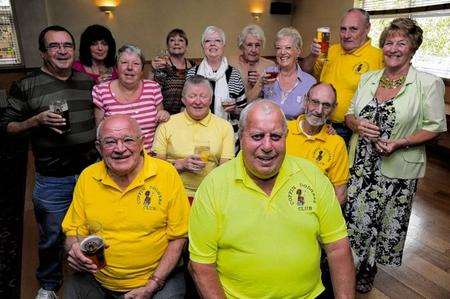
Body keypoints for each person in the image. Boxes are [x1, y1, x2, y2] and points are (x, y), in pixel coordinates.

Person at [189, 99, 355, 298]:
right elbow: (201, 265)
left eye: (275, 136)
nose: (267, 146)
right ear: (241, 137)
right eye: (257, 136)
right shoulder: (213, 187)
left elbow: (337, 248)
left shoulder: (313, 176)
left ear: (286, 137)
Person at [344, 18, 447, 293]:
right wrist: (356, 124)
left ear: (413, 48)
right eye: (389, 42)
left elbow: (436, 128)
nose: (393, 48)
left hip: (397, 169)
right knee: (353, 217)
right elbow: (350, 113)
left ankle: (368, 267)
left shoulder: (428, 83)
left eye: (401, 43)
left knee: (382, 222)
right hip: (361, 162)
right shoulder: (368, 78)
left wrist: (400, 142)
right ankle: (345, 267)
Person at [0, 25, 97, 299]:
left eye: (67, 45)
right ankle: (49, 285)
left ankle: (91, 276)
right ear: (43, 53)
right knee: (52, 233)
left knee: (91, 227)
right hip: (53, 176)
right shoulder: (27, 85)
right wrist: (35, 120)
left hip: (90, 172)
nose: (62, 50)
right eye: (54, 46)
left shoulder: (85, 81)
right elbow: (7, 127)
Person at [62, 114, 190, 299]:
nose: (120, 149)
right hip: (98, 278)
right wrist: (74, 249)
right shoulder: (87, 177)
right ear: (99, 148)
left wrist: (153, 284)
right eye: (110, 142)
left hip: (158, 277)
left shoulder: (166, 174)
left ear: (141, 143)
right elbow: (72, 232)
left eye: (128, 140)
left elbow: (178, 237)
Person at [305, 8, 384, 142]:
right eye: (343, 29)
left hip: (351, 130)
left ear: (367, 29)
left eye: (353, 29)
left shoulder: (379, 57)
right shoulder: (330, 50)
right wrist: (313, 55)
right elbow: (309, 73)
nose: (346, 35)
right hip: (320, 122)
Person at [152, 75, 234, 200]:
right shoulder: (166, 125)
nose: (198, 101)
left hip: (211, 194)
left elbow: (225, 170)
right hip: (174, 193)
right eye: (192, 96)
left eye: (203, 96)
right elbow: (157, 169)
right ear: (183, 100)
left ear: (211, 100)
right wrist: (179, 165)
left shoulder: (225, 127)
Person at [93, 44, 170, 153]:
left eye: (136, 63)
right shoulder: (101, 91)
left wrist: (164, 114)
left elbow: (161, 122)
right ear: (116, 68)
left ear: (142, 70)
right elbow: (99, 133)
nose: (130, 67)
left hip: (151, 158)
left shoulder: (153, 88)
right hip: (118, 157)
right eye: (124, 63)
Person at [286, 82, 348, 204]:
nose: (319, 111)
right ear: (305, 101)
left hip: (314, 211)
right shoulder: (283, 131)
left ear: (333, 108)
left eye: (326, 105)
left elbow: (340, 195)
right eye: (315, 102)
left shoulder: (336, 143)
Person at [186, 26, 246, 137]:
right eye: (208, 41)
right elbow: (184, 106)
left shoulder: (234, 74)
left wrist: (234, 110)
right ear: (203, 46)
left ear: (223, 45)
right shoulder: (192, 73)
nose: (212, 44)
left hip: (227, 137)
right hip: (196, 135)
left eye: (217, 40)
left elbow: (243, 111)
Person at [263, 27, 316, 120]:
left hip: (293, 131)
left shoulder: (310, 82)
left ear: (298, 51)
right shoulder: (269, 73)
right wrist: (259, 85)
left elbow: (314, 115)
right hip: (267, 130)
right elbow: (251, 103)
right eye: (278, 48)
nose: (282, 52)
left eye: (288, 48)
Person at [150, 28, 195, 115]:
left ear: (186, 46)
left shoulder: (193, 66)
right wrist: (153, 70)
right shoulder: (161, 64)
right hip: (165, 115)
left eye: (181, 40)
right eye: (172, 40)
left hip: (188, 115)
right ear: (167, 46)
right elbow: (152, 90)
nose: (176, 43)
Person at [228, 24, 275, 101]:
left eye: (257, 45)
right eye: (249, 45)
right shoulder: (230, 63)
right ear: (242, 46)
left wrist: (260, 85)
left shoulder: (269, 66)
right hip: (235, 110)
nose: (253, 50)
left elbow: (272, 96)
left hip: (260, 110)